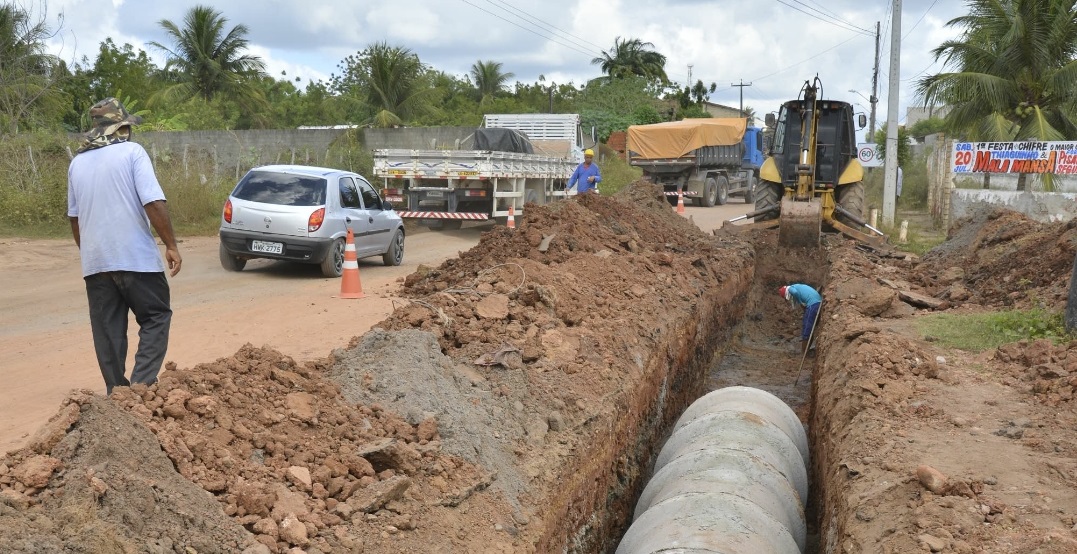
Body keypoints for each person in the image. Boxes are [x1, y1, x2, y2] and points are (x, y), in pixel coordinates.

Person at [68, 97, 182, 395]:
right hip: (137, 259)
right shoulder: (133, 153)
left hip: (96, 264)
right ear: (121, 128)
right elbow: (153, 202)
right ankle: (141, 388)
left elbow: (75, 218)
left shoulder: (77, 163)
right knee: (156, 316)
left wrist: (91, 253)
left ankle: (117, 394)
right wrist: (171, 244)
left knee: (108, 332)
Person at [779, 284, 822, 355]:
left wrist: (800, 302)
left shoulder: (790, 289)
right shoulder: (797, 286)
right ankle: (806, 350)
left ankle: (804, 352)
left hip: (813, 304)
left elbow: (795, 293)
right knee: (808, 326)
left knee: (807, 328)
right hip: (815, 303)